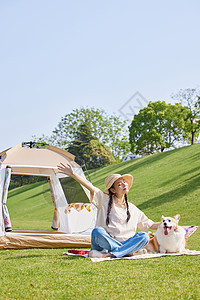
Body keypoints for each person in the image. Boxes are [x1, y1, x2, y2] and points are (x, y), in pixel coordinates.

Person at [57, 163, 161, 258]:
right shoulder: (103, 199)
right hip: (104, 243)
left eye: (124, 182)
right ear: (112, 190)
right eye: (119, 184)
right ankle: (126, 251)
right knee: (97, 231)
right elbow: (90, 187)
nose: (124, 184)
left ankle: (110, 254)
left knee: (144, 236)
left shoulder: (133, 209)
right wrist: (73, 174)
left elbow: (150, 225)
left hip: (122, 244)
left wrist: (167, 223)